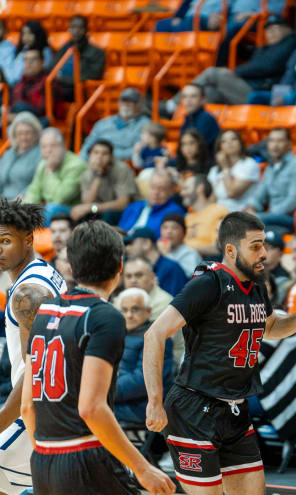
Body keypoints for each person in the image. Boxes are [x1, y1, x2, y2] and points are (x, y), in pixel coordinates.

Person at [142, 212, 296, 494]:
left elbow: (271, 327)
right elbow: (154, 334)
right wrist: (155, 400)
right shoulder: (207, 284)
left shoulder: (257, 288)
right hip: (194, 409)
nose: (264, 253)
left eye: (263, 245)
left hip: (235, 410)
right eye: (255, 246)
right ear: (230, 250)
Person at [20, 220, 175, 495]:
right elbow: (91, 408)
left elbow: (27, 408)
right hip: (85, 457)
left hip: (42, 458)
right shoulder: (104, 316)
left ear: (71, 266)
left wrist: (48, 457)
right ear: (120, 267)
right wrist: (142, 468)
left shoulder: (43, 313)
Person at [0, 199, 66, 494]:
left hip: (40, 409)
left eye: (5, 241)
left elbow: (35, 374)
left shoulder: (29, 292)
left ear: (29, 239)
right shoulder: (41, 273)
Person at [114, 287, 174, 425]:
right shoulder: (117, 335)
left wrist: (107, 392)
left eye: (135, 309)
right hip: (118, 399)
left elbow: (141, 381)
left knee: (90, 410)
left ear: (148, 311)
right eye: (124, 310)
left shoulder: (156, 338)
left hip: (140, 406)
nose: (129, 315)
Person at [245, 128, 296, 235]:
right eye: (271, 141)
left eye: (280, 141)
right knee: (240, 218)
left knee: (252, 222)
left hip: (293, 219)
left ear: (289, 144)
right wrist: (251, 207)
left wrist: (268, 214)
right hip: (272, 217)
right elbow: (259, 194)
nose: (275, 145)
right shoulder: (270, 167)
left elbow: (293, 202)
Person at [247, 14, 296, 106]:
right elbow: (288, 76)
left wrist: (286, 96)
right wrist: (280, 95)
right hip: (291, 92)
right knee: (255, 96)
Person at [24, 127, 88, 224]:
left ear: (64, 146)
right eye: (44, 147)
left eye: (53, 146)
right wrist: (26, 209)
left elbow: (60, 198)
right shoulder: (42, 164)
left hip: (71, 212)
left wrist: (51, 171)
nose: (48, 150)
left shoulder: (76, 165)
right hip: (48, 210)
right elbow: (33, 191)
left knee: (51, 208)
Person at [72, 139, 138, 225]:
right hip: (99, 210)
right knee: (81, 215)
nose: (99, 157)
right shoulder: (87, 173)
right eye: (96, 152)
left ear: (111, 157)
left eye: (104, 154)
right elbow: (87, 202)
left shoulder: (122, 170)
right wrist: (97, 177)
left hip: (126, 212)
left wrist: (93, 207)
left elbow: (123, 204)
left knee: (108, 214)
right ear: (89, 155)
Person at [80, 88, 150, 161]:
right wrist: (82, 160)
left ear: (139, 105)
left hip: (120, 164)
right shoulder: (103, 123)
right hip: (95, 160)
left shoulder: (145, 124)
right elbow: (88, 144)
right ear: (119, 103)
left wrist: (106, 155)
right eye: (124, 101)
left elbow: (137, 150)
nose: (126, 105)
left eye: (131, 102)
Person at [50, 16, 106, 101]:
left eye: (80, 27)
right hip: (60, 86)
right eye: (73, 27)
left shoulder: (97, 53)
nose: (76, 31)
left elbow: (93, 75)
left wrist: (64, 80)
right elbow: (53, 67)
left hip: (79, 90)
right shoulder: (64, 48)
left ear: (86, 30)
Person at [118, 168, 185, 238]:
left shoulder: (174, 212)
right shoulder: (133, 206)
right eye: (153, 187)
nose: (156, 192)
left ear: (171, 191)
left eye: (161, 189)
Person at [124, 227, 188, 297]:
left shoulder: (171, 269)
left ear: (146, 244)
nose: (127, 248)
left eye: (131, 243)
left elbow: (175, 303)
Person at [207, 130, 261, 212]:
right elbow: (211, 201)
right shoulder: (214, 170)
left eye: (234, 139)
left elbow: (232, 193)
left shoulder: (249, 164)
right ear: (219, 147)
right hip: (218, 213)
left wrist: (225, 168)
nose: (229, 143)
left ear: (240, 143)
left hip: (240, 214)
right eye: (224, 141)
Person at [180, 174, 228, 257]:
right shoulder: (187, 217)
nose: (182, 193)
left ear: (200, 188)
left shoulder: (218, 211)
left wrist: (186, 250)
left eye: (186, 188)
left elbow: (217, 248)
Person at [10, 48, 61, 124]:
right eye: (25, 60)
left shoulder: (49, 82)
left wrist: (18, 116)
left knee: (19, 105)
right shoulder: (19, 82)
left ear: (42, 62)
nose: (28, 63)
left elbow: (42, 110)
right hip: (19, 121)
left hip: (40, 121)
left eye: (33, 60)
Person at [0, 111, 42, 199]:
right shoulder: (9, 153)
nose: (23, 137)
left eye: (28, 133)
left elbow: (39, 182)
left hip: (22, 202)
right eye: (20, 133)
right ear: (14, 135)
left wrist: (23, 196)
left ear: (35, 134)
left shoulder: (40, 154)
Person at [122, 257, 173, 323]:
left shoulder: (165, 303)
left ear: (152, 277)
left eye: (138, 275)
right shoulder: (119, 299)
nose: (133, 280)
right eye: (128, 276)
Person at [3, 21, 53, 88]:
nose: (26, 37)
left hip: (31, 86)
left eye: (29, 33)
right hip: (13, 86)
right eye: (24, 34)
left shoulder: (45, 51)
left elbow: (40, 73)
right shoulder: (22, 50)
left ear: (37, 33)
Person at [177, 83, 220, 155]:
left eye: (193, 96)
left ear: (203, 100)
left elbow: (195, 152)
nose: (188, 100)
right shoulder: (188, 118)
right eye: (185, 97)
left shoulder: (206, 119)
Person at [158, 213, 202, 278]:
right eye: (165, 227)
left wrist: (167, 255)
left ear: (184, 233)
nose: (169, 231)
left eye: (174, 228)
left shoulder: (190, 253)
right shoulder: (157, 251)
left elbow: (186, 278)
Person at [264, 230, 292, 307]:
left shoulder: (284, 278)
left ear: (280, 253)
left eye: (270, 247)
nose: (265, 250)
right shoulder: (254, 272)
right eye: (263, 246)